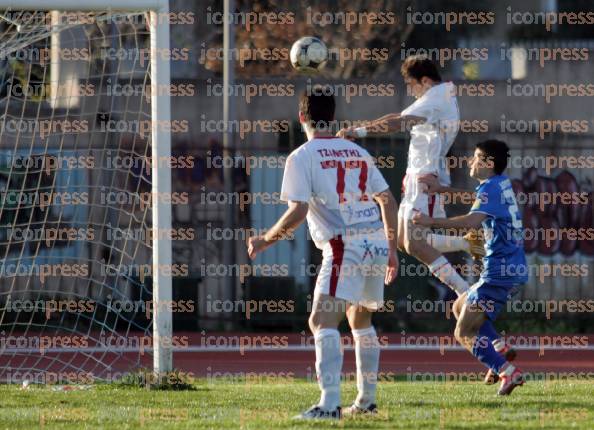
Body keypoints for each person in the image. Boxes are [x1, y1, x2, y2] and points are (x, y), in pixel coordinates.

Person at [247, 87, 399, 419]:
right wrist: (392, 247)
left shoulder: (301, 156)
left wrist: (264, 241)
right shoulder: (357, 152)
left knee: (320, 320)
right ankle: (366, 401)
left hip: (345, 245)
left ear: (302, 117)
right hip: (374, 240)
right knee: (360, 319)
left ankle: (329, 404)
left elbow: (298, 212)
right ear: (333, 118)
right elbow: (387, 200)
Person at [337, 54, 479, 298]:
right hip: (416, 177)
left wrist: (358, 131)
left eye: (411, 85)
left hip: (425, 178)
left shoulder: (436, 98)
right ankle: (467, 243)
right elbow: (395, 118)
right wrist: (357, 130)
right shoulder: (437, 96)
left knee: (414, 242)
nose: (410, 90)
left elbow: (399, 123)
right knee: (404, 240)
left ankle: (465, 293)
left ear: (424, 81)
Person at [412, 139, 528, 395]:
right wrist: (442, 189)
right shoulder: (499, 185)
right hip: (511, 271)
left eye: (475, 157)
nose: (470, 161)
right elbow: (476, 199)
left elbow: (470, 223)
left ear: (488, 163)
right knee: (459, 305)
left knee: (463, 332)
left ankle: (508, 372)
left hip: (499, 274)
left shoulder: (490, 190)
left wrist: (430, 221)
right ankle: (497, 347)